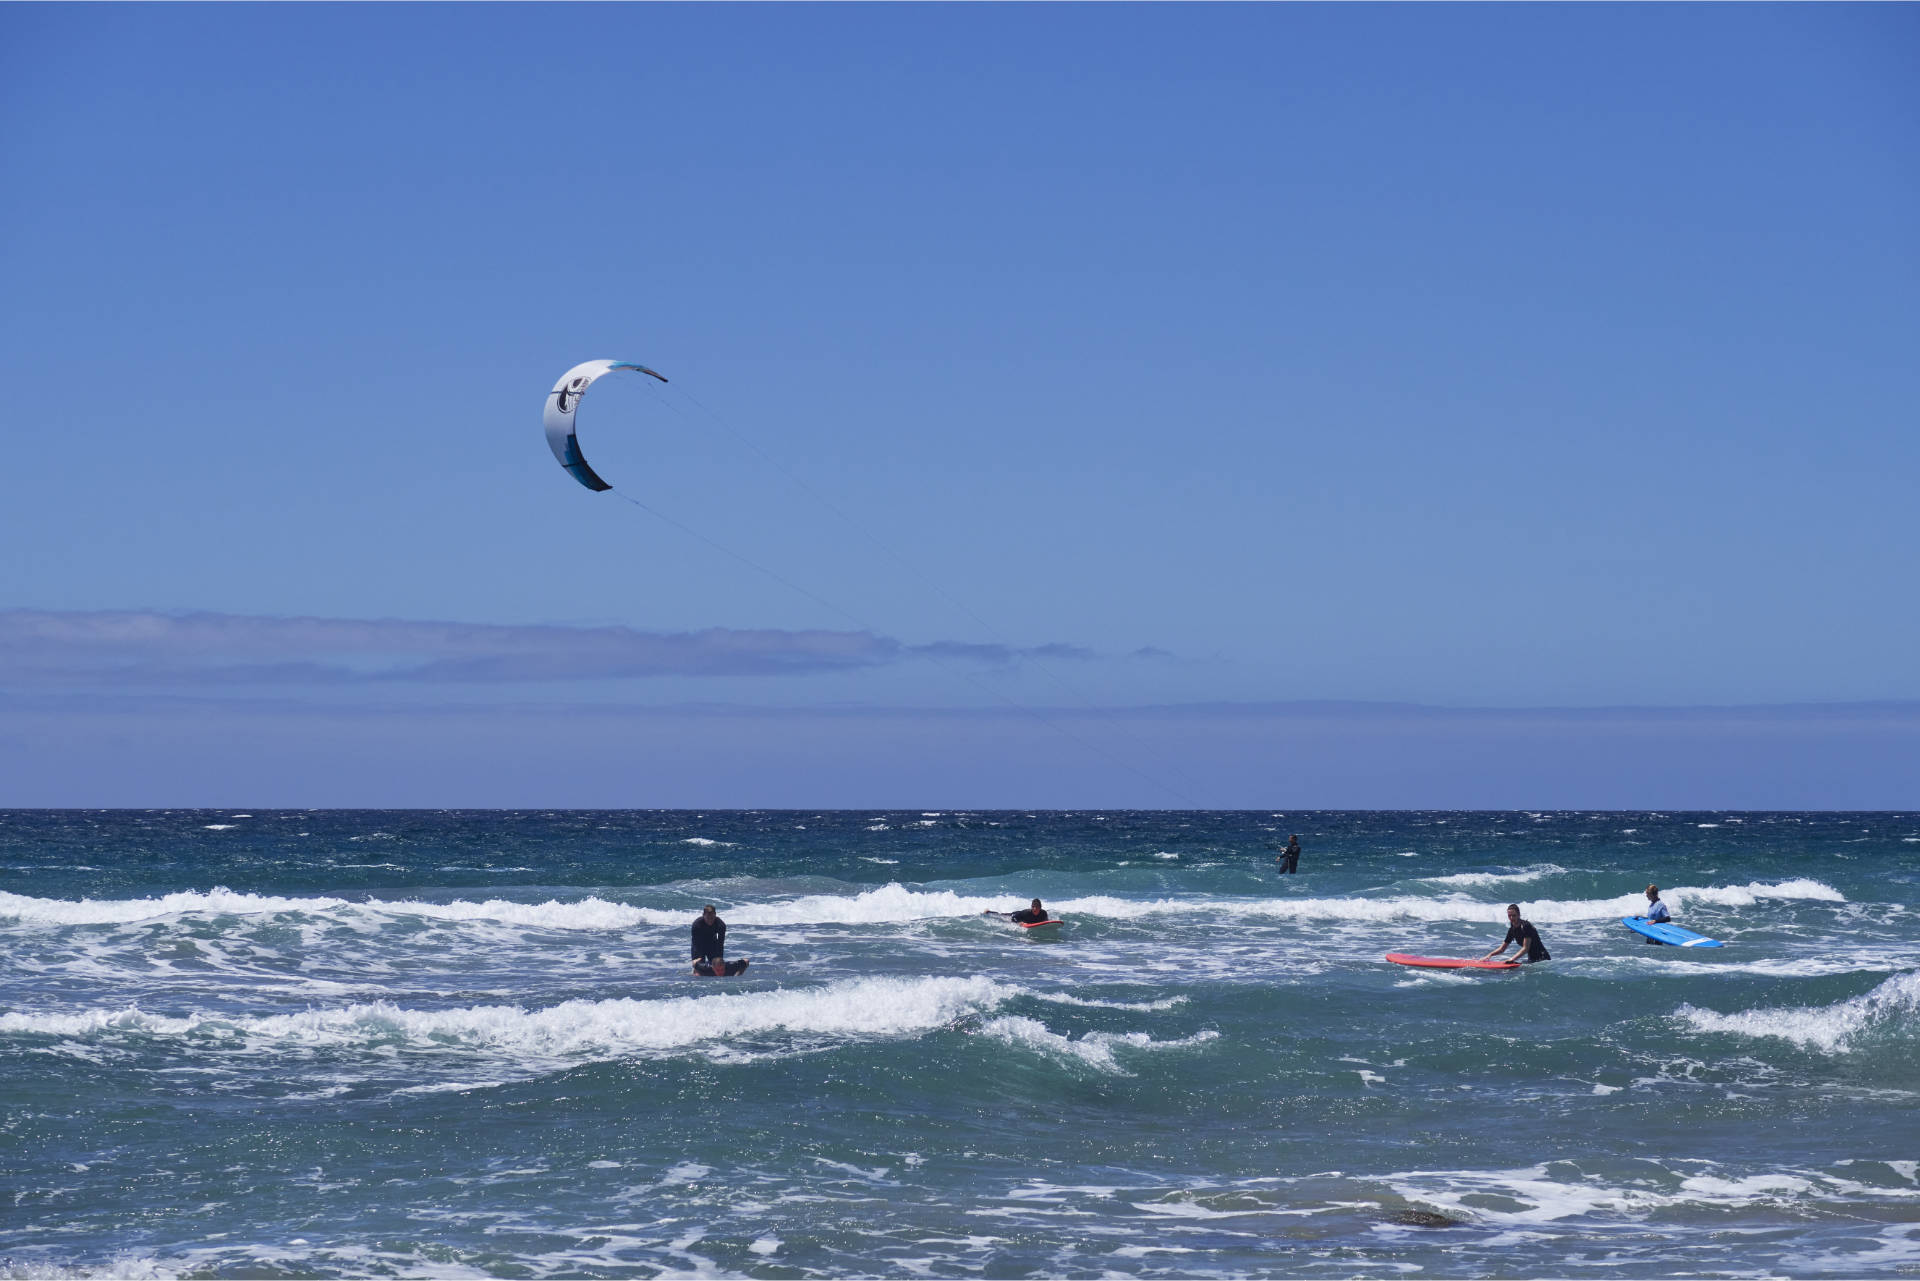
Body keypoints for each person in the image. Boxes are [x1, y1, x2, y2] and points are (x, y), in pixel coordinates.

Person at [1483, 903, 1551, 963]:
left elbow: (1525, 948)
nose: (1511, 918)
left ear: (1518, 915)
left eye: (1514, 915)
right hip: (1532, 960)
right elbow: (1502, 949)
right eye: (1509, 916)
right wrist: (1490, 955)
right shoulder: (1512, 930)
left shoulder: (1526, 926)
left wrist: (1512, 959)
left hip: (1543, 959)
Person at [691, 904, 732, 975]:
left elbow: (720, 943)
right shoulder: (696, 925)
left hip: (712, 944)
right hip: (699, 944)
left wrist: (720, 958)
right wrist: (698, 958)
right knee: (699, 969)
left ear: (715, 915)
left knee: (717, 967)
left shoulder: (721, 925)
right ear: (703, 915)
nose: (710, 920)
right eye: (708, 918)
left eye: (712, 918)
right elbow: (695, 943)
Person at [984, 898, 1051, 924]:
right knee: (1002, 915)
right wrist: (1019, 922)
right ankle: (988, 912)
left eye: (1036, 907)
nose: (1034, 909)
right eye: (1033, 907)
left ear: (1040, 907)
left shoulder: (1044, 913)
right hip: (1016, 915)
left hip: (1021, 915)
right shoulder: (1026, 913)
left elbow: (1046, 921)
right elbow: (1014, 918)